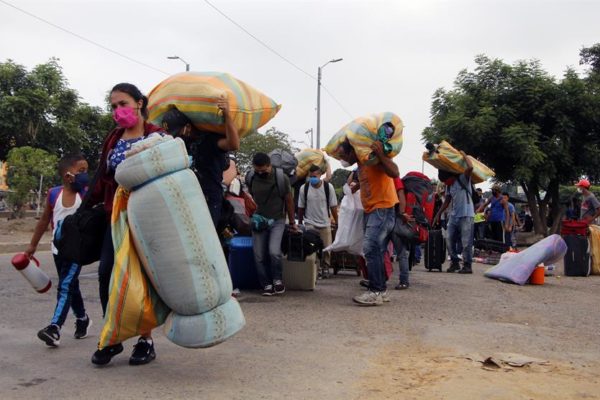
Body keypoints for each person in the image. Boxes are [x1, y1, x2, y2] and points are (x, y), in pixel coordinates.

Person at [89, 83, 165, 366]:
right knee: (107, 273)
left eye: (123, 104)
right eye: (113, 106)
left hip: (146, 218)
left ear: (140, 103)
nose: (118, 110)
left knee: (142, 278)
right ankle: (114, 338)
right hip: (115, 216)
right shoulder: (114, 138)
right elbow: (103, 177)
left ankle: (145, 340)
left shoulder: (157, 136)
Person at [26, 154, 92, 347]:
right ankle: (82, 319)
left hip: (77, 250)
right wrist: (32, 245)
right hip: (58, 249)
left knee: (65, 286)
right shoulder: (54, 194)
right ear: (67, 175)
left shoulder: (85, 194)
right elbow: (45, 220)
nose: (85, 175)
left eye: (86, 171)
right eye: (81, 171)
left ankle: (54, 328)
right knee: (71, 286)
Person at [160, 99, 240, 227]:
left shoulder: (209, 140)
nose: (176, 138)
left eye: (177, 133)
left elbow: (233, 144)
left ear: (188, 127)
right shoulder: (180, 145)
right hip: (187, 199)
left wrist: (227, 115)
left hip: (210, 200)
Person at [338, 139, 399, 306]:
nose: (342, 159)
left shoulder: (372, 158)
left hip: (382, 208)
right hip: (371, 210)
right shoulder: (361, 165)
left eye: (343, 155)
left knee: (370, 249)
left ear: (352, 151)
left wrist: (380, 154)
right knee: (376, 251)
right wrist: (357, 187)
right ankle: (381, 290)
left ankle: (375, 291)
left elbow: (394, 172)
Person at [249, 152, 298, 296]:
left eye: (263, 170)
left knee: (274, 252)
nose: (260, 173)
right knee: (258, 255)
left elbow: (289, 201)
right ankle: (266, 284)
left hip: (278, 220)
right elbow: (250, 197)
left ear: (270, 166)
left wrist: (293, 222)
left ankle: (277, 280)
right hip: (259, 221)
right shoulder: (251, 177)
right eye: (257, 171)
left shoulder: (281, 178)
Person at [433, 151, 475, 274]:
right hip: (454, 215)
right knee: (449, 239)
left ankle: (467, 265)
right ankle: (455, 263)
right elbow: (446, 201)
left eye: (447, 180)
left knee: (466, 242)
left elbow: (471, 167)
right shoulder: (449, 186)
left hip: (467, 215)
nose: (446, 183)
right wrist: (437, 215)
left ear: (452, 176)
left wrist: (464, 155)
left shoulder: (463, 178)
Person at [297, 164, 338, 277]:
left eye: (315, 176)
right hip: (310, 223)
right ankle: (316, 269)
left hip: (325, 223)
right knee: (312, 247)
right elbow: (301, 207)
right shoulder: (304, 188)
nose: (313, 178)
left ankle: (325, 268)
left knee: (326, 248)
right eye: (311, 176)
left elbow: (333, 206)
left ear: (320, 175)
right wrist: (300, 223)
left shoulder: (328, 187)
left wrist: (337, 221)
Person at [390, 176, 411, 290]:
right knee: (400, 252)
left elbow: (401, 195)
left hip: (394, 218)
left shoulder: (394, 178)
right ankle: (403, 280)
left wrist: (402, 213)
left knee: (401, 253)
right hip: (391, 218)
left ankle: (404, 280)